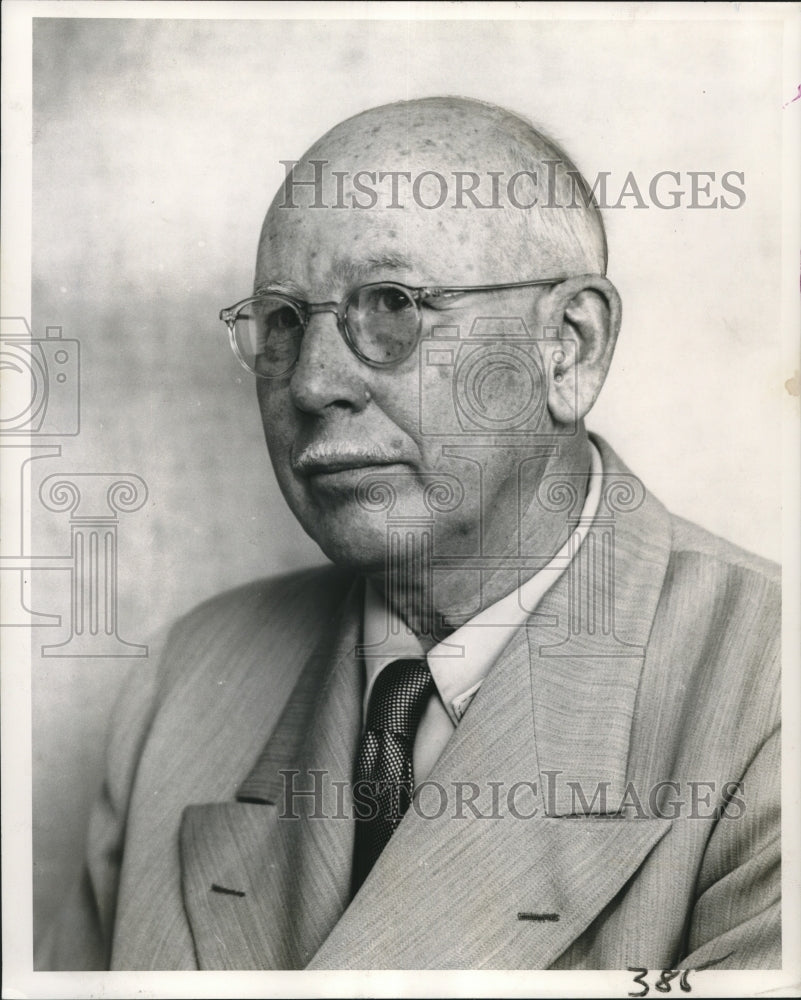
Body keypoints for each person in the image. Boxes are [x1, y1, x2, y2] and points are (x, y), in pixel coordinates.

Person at [39, 96, 780, 971]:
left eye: (390, 305)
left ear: (568, 349)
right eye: (281, 322)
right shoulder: (187, 685)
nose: (313, 383)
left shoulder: (769, 691)